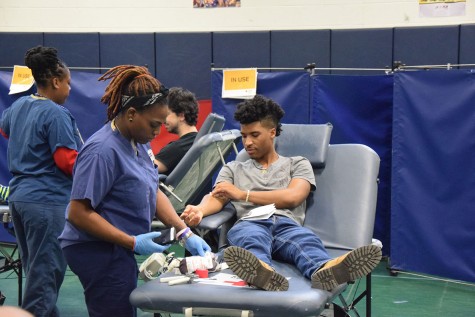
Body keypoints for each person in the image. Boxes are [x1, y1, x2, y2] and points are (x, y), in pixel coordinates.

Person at [180, 94, 382, 292]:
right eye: (244, 136)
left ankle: (325, 270)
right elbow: (217, 196)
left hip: (287, 224)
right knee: (251, 239)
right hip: (251, 222)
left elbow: (293, 196)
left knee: (306, 241)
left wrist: (242, 194)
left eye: (254, 135)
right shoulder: (233, 168)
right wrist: (199, 210)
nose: (247, 142)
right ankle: (261, 272)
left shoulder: (298, 163)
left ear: (272, 132)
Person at [58, 65, 211, 317]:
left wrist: (185, 233)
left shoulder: (138, 143)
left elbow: (153, 189)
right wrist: (132, 241)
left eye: (161, 124)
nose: (158, 131)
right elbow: (78, 213)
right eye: (154, 124)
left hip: (119, 244)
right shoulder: (102, 151)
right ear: (130, 113)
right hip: (95, 249)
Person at [0, 46, 82, 316]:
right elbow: (66, 161)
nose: (70, 89)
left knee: (35, 268)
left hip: (20, 199)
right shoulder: (56, 113)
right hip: (46, 201)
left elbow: (5, 129)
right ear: (56, 81)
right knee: (45, 276)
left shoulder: (19, 106)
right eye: (68, 83)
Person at [154, 87, 199, 175]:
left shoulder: (177, 148)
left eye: (166, 114)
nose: (163, 121)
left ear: (181, 115)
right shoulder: (200, 142)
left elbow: (146, 170)